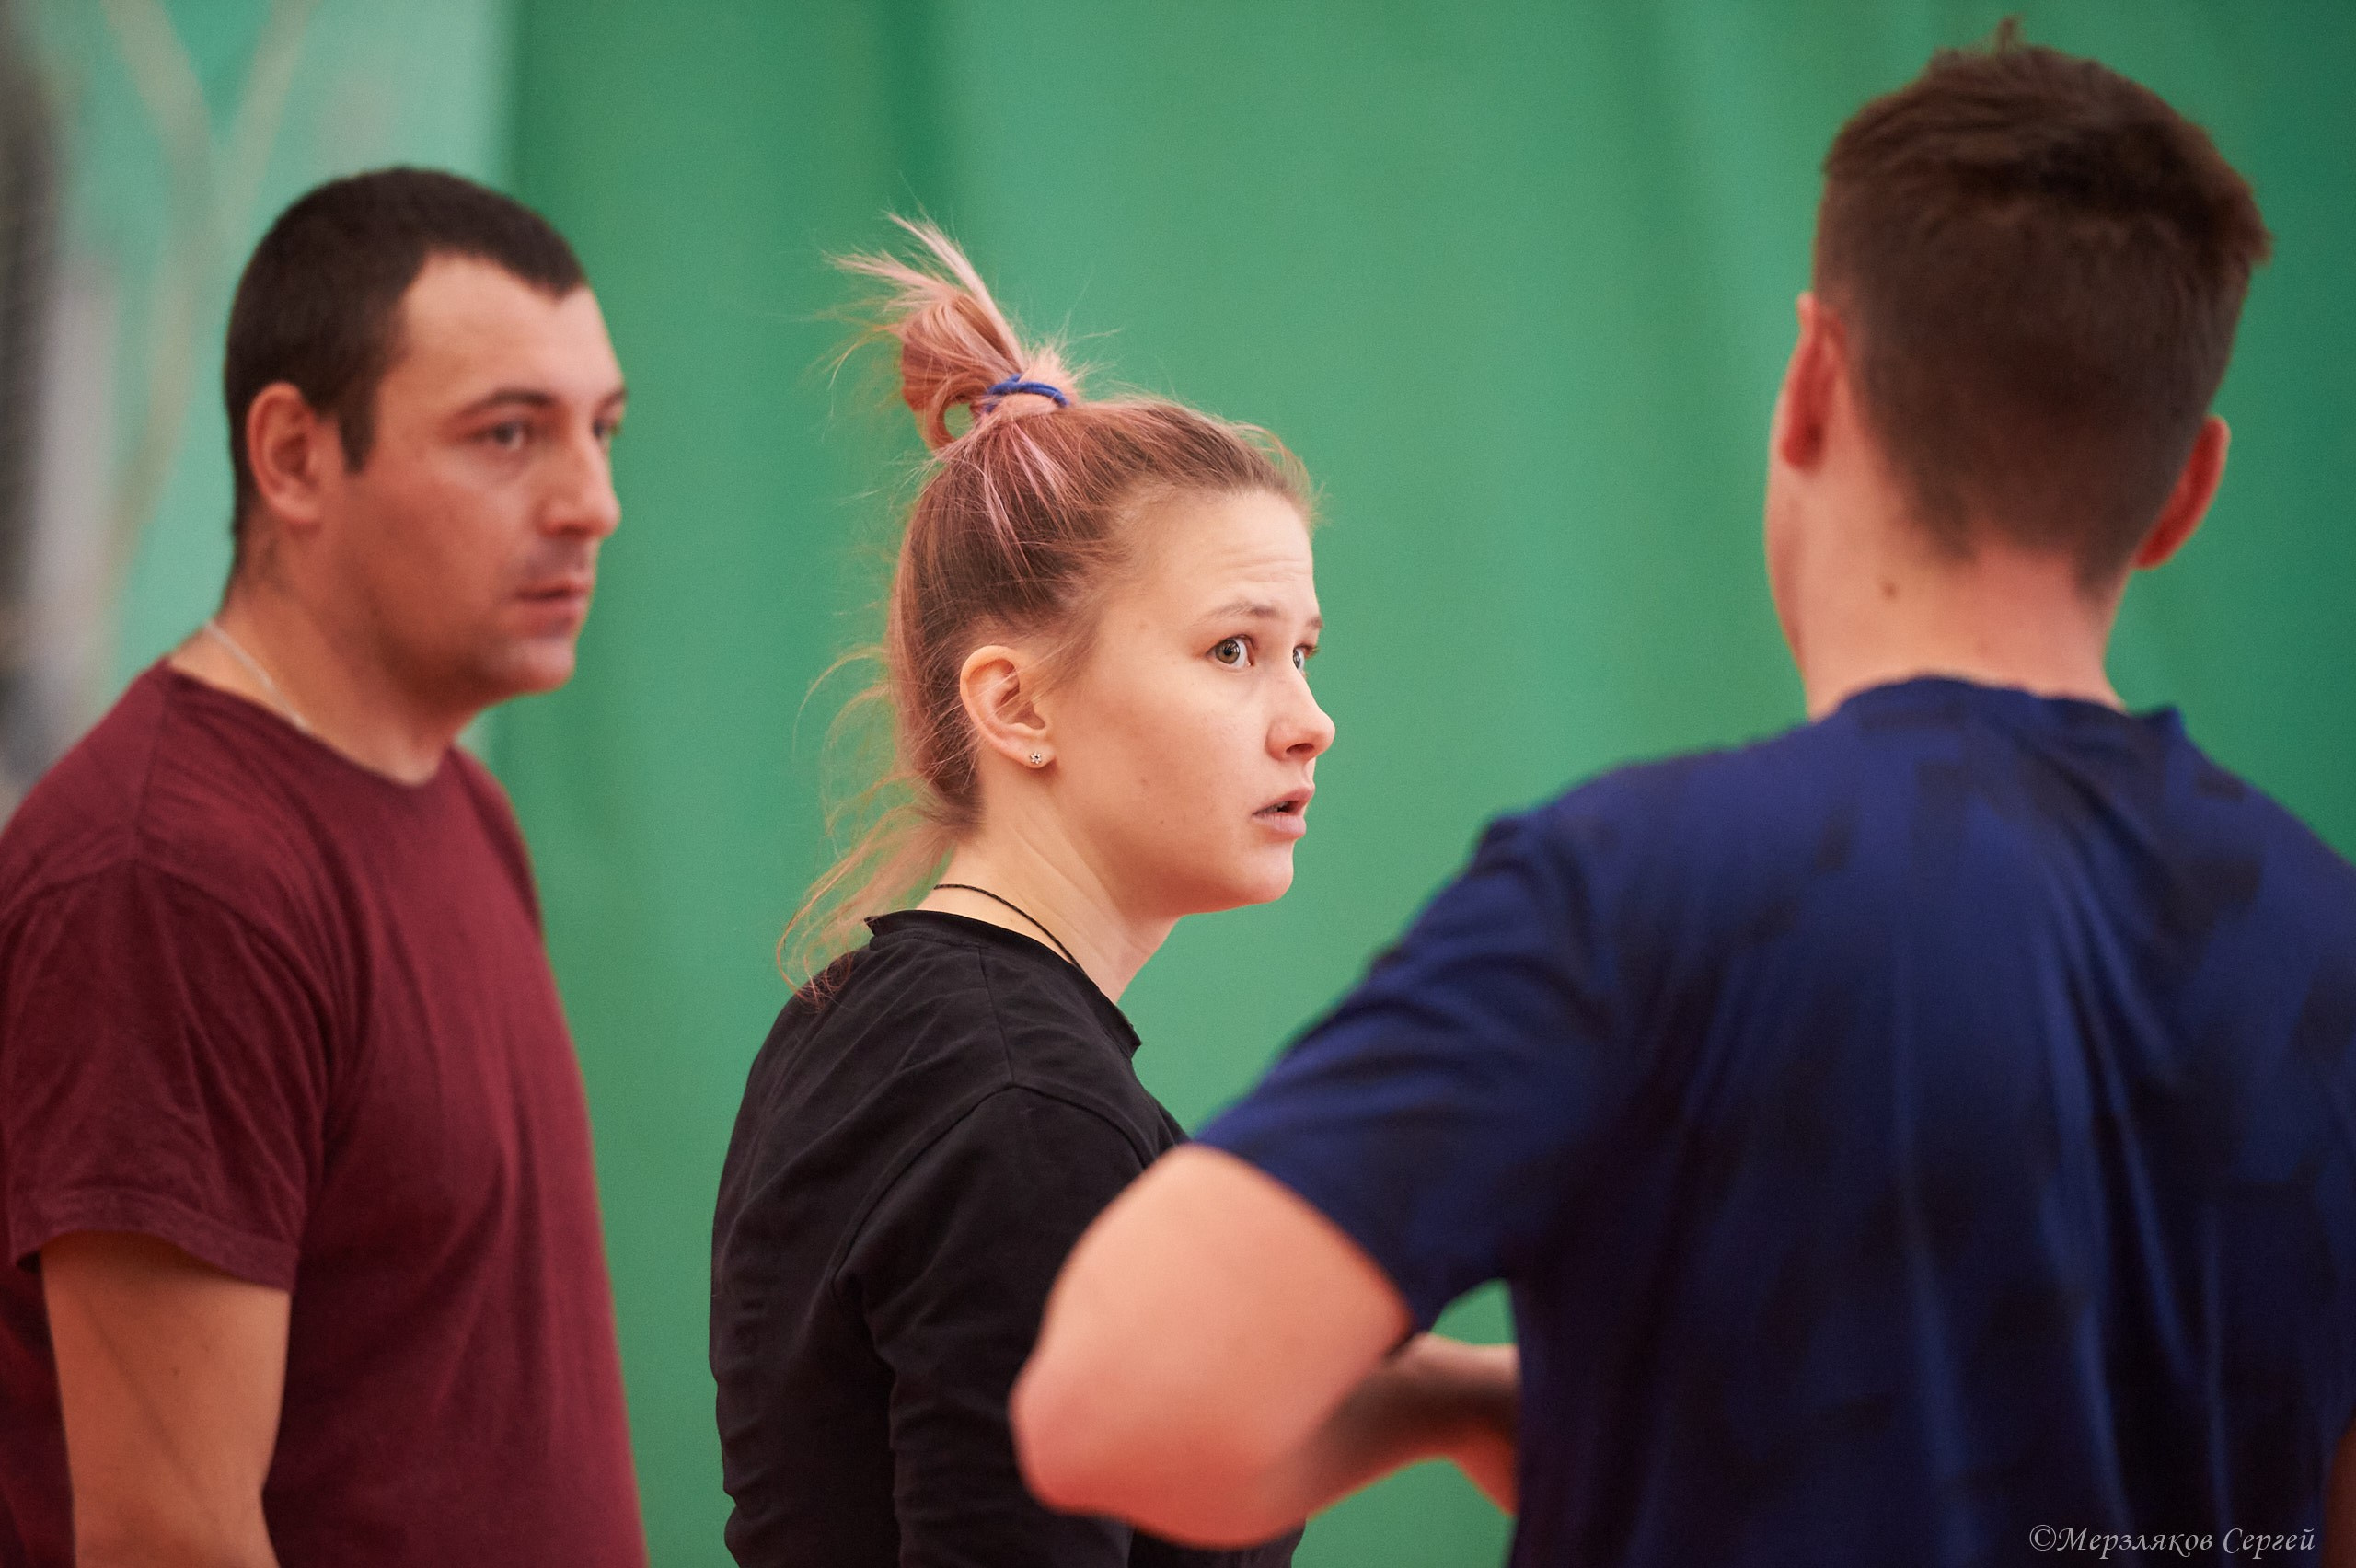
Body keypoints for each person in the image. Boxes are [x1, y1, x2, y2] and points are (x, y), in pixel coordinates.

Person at [1013, 28, 2356, 1565]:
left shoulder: (1637, 894)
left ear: (1811, 382)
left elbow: (1111, 1407)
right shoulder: (2329, 947)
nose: (1303, 721)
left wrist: (1454, 1400)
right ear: (2189, 488)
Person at [708, 223, 1515, 1567]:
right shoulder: (1027, 1113)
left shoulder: (877, 1026)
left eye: (1304, 652)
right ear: (1016, 704)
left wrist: (1445, 1396)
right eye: (1235, 649)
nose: (1310, 720)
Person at [0, 169, 642, 1566]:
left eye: (600, 430)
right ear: (293, 456)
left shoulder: (462, 801)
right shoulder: (169, 878)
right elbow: (167, 1539)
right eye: (507, 435)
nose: (591, 502)